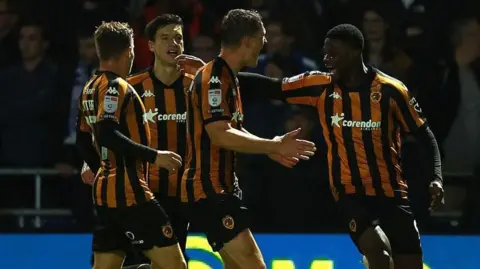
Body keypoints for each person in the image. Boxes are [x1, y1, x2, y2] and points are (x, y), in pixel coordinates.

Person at [179, 23, 445, 269]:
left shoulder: (391, 91)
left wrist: (436, 177)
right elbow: (272, 88)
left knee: (409, 262)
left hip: (392, 191)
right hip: (349, 191)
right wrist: (211, 71)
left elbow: (425, 135)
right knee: (379, 253)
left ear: (354, 54)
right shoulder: (321, 86)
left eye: (334, 55)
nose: (327, 60)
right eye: (325, 54)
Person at [181, 9, 316, 269]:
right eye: (261, 37)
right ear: (247, 41)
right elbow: (220, 134)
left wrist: (267, 149)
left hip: (222, 187)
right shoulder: (214, 80)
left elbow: (231, 129)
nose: (264, 44)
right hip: (209, 189)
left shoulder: (228, 78)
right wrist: (274, 145)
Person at [75, 21, 186, 269]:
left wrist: (101, 168)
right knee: (175, 267)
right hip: (133, 194)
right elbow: (106, 132)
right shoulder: (117, 87)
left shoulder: (89, 89)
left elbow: (82, 139)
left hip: (104, 197)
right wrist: (154, 156)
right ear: (130, 51)